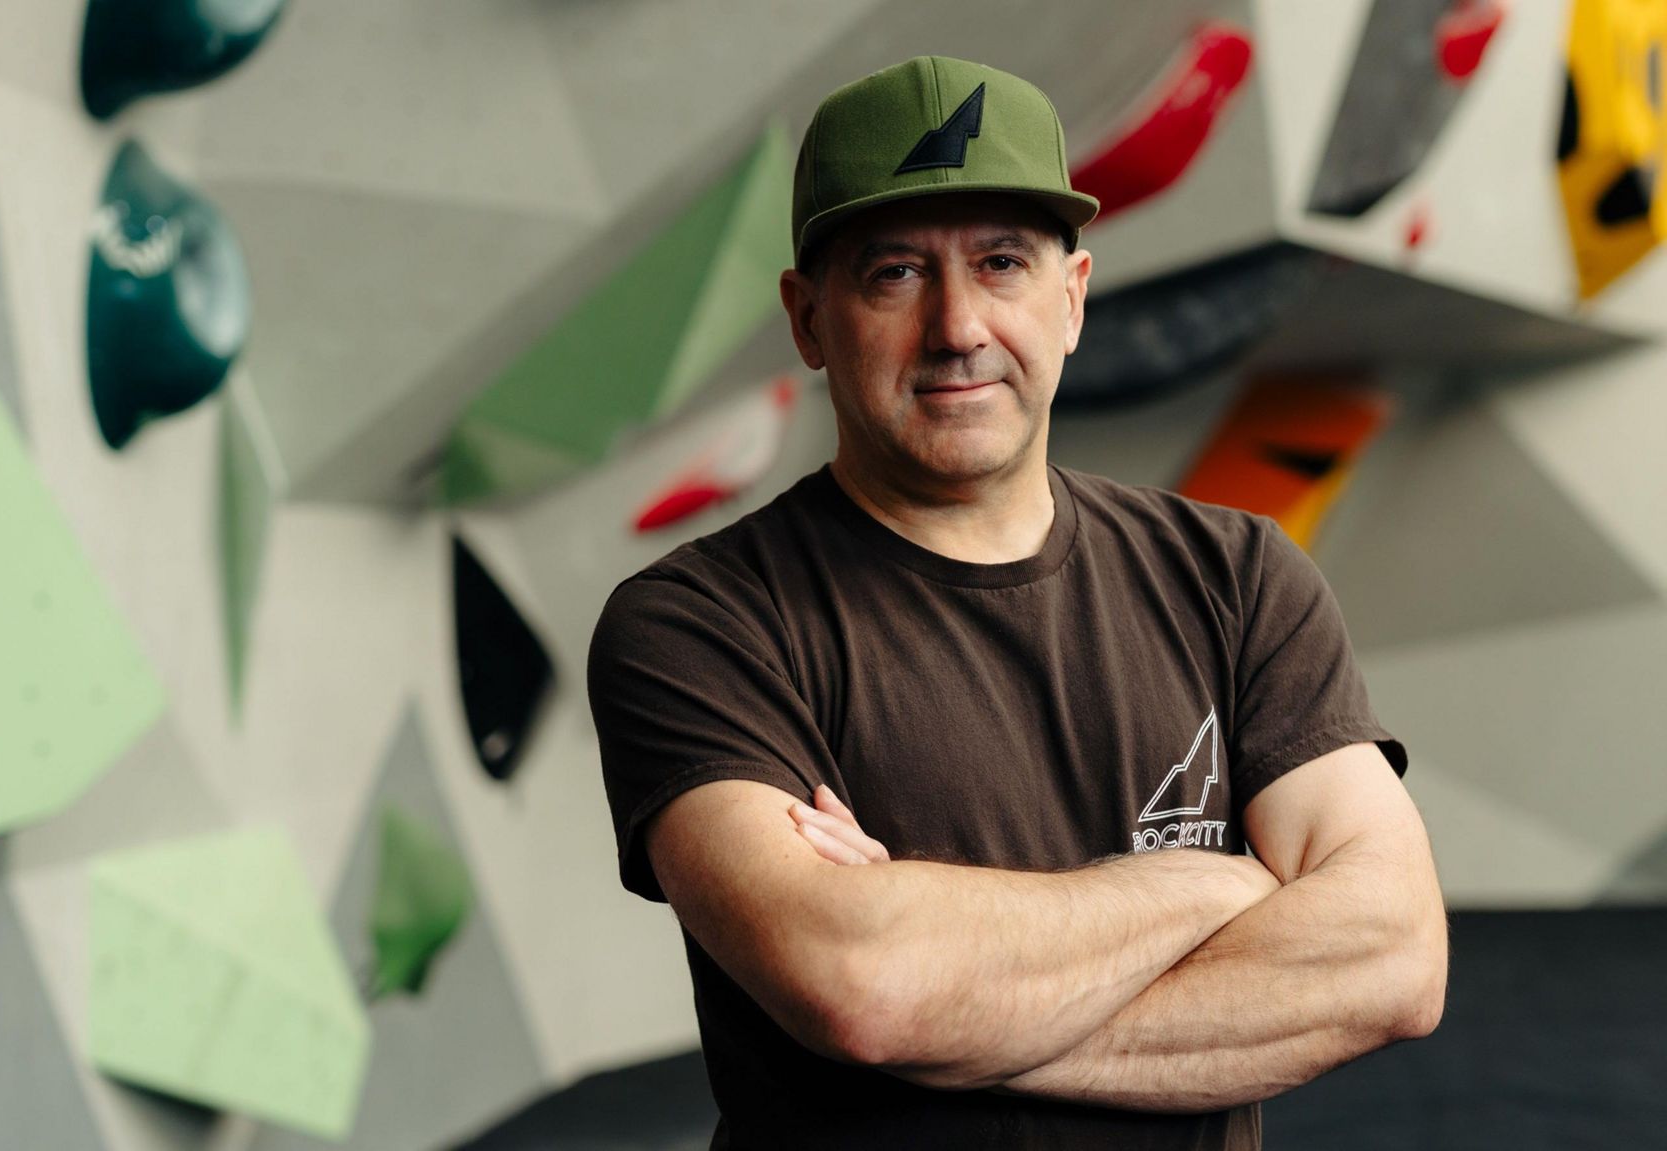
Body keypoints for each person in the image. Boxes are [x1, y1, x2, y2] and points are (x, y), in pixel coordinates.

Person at [586, 55, 1448, 1149]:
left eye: (1000, 263)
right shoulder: (700, 622)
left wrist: (951, 1008)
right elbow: (863, 984)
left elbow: (1392, 961)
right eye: (893, 273)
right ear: (807, 319)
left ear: (1072, 298)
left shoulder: (1237, 576)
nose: (956, 326)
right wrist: (1208, 882)